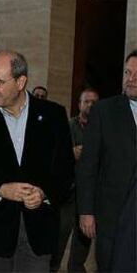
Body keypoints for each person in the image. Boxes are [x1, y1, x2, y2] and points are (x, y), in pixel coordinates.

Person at [0, 50, 74, 272]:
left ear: (21, 82)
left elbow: (66, 172)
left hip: (40, 229)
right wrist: (0, 190)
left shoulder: (53, 116)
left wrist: (44, 193)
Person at [76, 49, 137, 272]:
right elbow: (88, 165)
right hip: (112, 217)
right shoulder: (105, 111)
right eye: (128, 73)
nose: (131, 79)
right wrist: (86, 211)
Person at [50, 87, 99, 272]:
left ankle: (76, 268)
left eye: (94, 102)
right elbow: (55, 156)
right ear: (79, 104)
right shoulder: (68, 126)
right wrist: (71, 153)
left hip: (90, 195)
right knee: (59, 237)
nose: (91, 105)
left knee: (83, 240)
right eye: (87, 101)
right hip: (68, 194)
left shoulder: (102, 128)